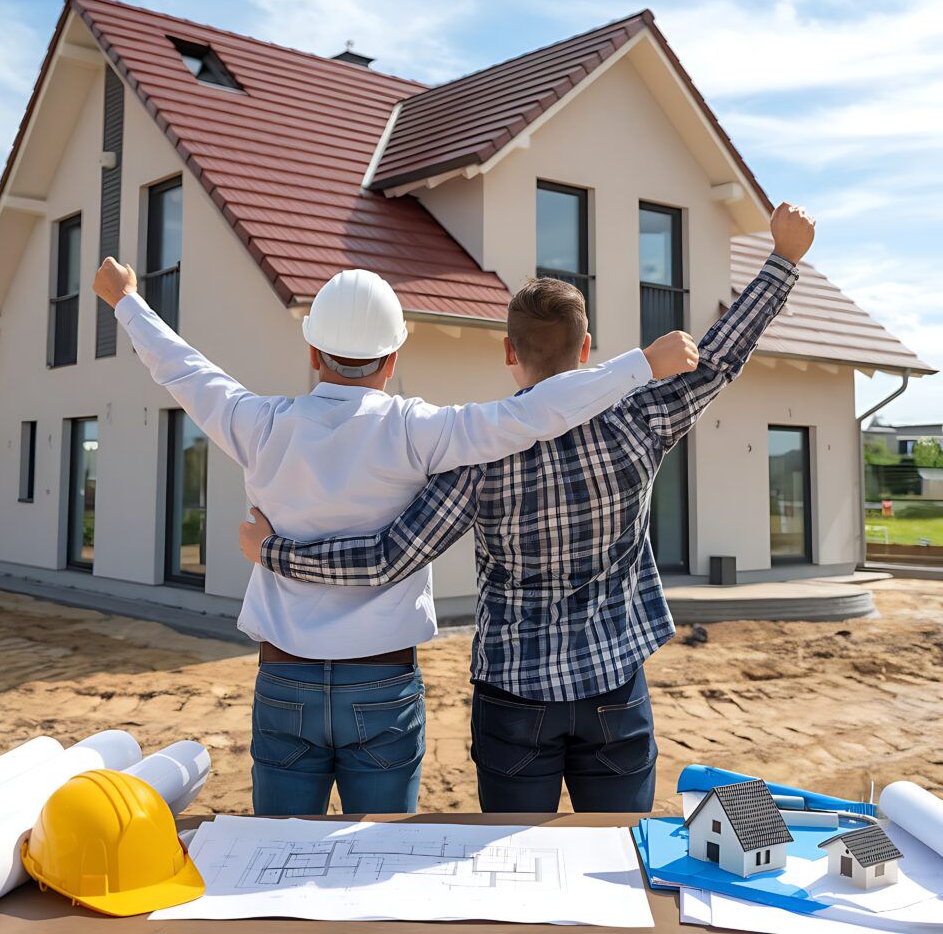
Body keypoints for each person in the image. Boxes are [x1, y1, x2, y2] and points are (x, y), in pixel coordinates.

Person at [238, 202, 816, 814]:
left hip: (512, 697)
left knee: (516, 874)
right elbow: (719, 358)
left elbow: (387, 559)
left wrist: (275, 553)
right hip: (614, 683)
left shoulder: (478, 458)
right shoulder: (639, 419)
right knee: (616, 860)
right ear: (587, 348)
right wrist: (781, 260)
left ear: (509, 353)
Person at [93, 260, 697, 817]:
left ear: (312, 352)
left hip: (285, 679)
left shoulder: (258, 425)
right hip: (383, 683)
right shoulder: (421, 430)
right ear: (392, 357)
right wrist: (641, 365)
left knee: (276, 855)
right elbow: (537, 413)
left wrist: (127, 301)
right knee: (380, 865)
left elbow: (182, 368)